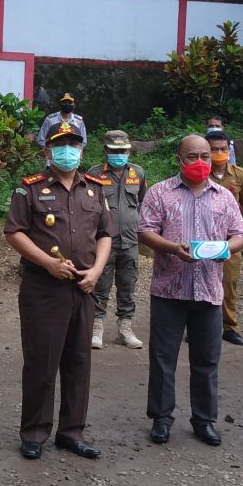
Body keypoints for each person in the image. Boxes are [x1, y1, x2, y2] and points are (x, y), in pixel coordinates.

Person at [5, 121, 111, 461]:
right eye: (60, 145)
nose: (68, 151)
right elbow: (14, 232)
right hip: (44, 288)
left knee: (79, 361)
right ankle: (34, 432)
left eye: (74, 145)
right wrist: (47, 263)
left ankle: (71, 432)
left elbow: (106, 234)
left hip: (84, 287)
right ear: (48, 151)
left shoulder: (95, 188)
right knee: (41, 361)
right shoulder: (30, 189)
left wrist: (96, 270)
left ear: (82, 150)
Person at [138, 135, 243, 447]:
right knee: (162, 358)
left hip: (210, 291)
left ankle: (204, 420)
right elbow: (145, 231)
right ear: (179, 159)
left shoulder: (224, 196)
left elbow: (241, 234)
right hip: (168, 291)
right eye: (193, 156)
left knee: (207, 359)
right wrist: (173, 247)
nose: (201, 162)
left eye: (205, 155)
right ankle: (161, 418)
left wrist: (227, 247)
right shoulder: (160, 192)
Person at [86, 129, 146, 350]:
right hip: (103, 242)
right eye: (114, 150)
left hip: (130, 242)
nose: (119, 154)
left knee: (128, 285)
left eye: (123, 150)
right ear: (105, 151)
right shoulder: (94, 174)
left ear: (129, 151)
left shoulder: (138, 173)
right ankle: (96, 328)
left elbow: (142, 202)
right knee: (100, 284)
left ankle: (125, 328)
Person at [207, 130, 243, 345]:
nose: (218, 153)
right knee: (202, 282)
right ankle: (201, 326)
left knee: (229, 283)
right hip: (203, 236)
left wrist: (230, 220)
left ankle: (230, 326)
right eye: (213, 149)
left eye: (223, 149)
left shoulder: (240, 175)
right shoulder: (199, 173)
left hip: (230, 240)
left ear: (229, 150)